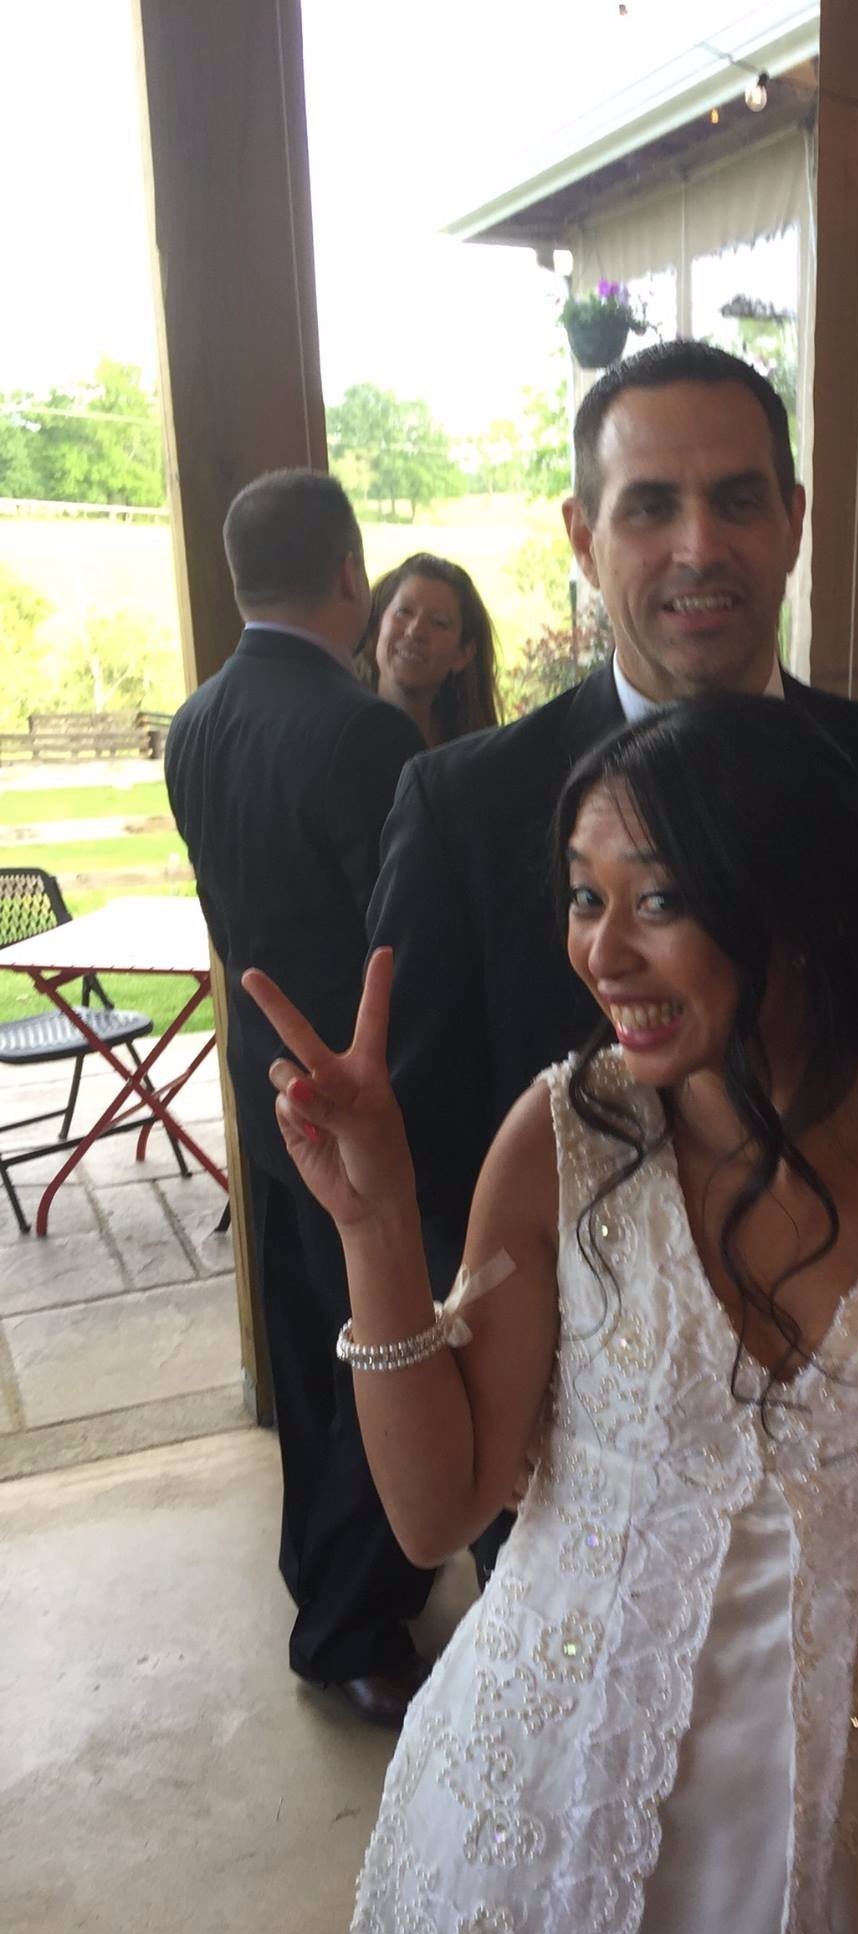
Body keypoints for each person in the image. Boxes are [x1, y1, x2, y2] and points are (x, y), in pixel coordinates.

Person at [366, 338, 858, 1934]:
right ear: (583, 536)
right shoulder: (468, 803)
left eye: (736, 498)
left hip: (850, 1634)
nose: (697, 545)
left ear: (795, 518)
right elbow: (422, 1174)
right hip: (585, 1585)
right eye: (649, 504)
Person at [244, 694, 858, 1934]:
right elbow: (440, 1513)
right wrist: (375, 1225)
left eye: (657, 898)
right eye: (583, 897)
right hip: (533, 1822)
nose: (600, 951)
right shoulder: (562, 1138)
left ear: (794, 899)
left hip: (809, 1854)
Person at [163, 469, 435, 1725]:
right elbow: (402, 938)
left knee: (311, 1354)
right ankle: (350, 1624)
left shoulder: (195, 718)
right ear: (349, 574)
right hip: (352, 1102)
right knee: (375, 1352)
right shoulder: (360, 729)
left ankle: (324, 1581)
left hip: (259, 1085)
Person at [357, 551, 502, 747]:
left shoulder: (468, 750)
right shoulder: (342, 725)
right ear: (377, 626)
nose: (415, 630)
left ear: (463, 654)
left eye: (438, 623)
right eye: (404, 612)